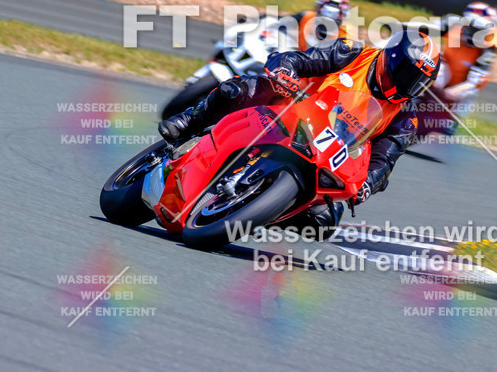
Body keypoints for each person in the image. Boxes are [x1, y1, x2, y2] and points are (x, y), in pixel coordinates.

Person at [157, 29, 441, 236]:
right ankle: (190, 122)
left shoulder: (405, 118)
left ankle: (257, 212)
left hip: (325, 153)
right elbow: (300, 59)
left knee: (326, 219)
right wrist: (285, 71)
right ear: (390, 57)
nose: (409, 84)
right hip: (289, 108)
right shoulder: (352, 53)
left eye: (418, 81)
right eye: (406, 73)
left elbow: (384, 162)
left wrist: (368, 185)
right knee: (238, 89)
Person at [430, 2, 497, 136]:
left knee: (470, 93)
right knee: (432, 69)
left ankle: (453, 119)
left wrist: (451, 93)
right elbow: (425, 28)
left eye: (479, 32)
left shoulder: (488, 48)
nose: (471, 35)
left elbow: (475, 82)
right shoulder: (452, 23)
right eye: (470, 28)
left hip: (464, 82)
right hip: (444, 69)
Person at [288, 0, 353, 50]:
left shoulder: (345, 29)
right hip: (300, 56)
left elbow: (347, 52)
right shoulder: (308, 16)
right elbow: (283, 24)